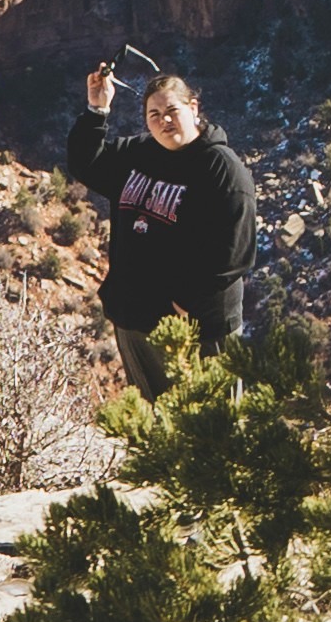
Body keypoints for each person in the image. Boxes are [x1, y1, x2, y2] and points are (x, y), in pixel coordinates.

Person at [66, 59, 258, 391]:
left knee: (212, 430)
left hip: (196, 328)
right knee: (157, 428)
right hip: (135, 320)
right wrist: (97, 110)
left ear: (193, 107)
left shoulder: (222, 169)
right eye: (153, 115)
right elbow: (86, 164)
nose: (164, 120)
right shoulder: (138, 153)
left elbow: (235, 252)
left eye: (171, 110)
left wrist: (186, 303)